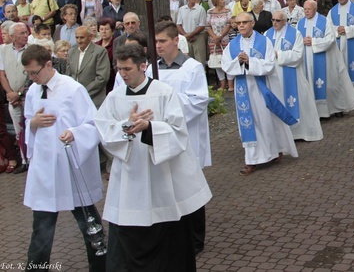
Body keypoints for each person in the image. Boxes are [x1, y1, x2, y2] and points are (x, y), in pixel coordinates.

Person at [96, 44, 212, 271]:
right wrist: (126, 126)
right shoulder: (114, 97)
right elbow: (104, 130)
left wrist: (149, 127)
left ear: (143, 66)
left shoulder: (164, 92)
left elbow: (179, 132)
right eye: (119, 69)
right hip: (130, 176)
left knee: (166, 228)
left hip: (161, 175)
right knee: (128, 229)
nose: (123, 74)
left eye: (128, 69)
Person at [21, 44, 105, 271]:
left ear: (48, 64)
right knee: (42, 227)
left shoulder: (73, 89)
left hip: (70, 166)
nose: (31, 78)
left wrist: (74, 134)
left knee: (88, 222)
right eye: (27, 73)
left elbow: (93, 124)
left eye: (34, 72)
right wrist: (33, 124)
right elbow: (29, 121)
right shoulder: (33, 90)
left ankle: (100, 266)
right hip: (45, 169)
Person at [152, 20, 211, 253]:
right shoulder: (151, 69)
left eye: (162, 41)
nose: (158, 46)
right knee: (167, 186)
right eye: (155, 41)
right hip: (161, 134)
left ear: (176, 41)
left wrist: (167, 105)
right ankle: (172, 234)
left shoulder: (192, 68)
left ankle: (195, 239)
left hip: (186, 135)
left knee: (190, 188)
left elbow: (198, 101)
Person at [221, 12, 298, 175]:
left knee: (266, 121)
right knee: (249, 124)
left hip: (262, 87)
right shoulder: (232, 45)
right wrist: (238, 62)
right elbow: (225, 65)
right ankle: (252, 160)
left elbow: (270, 64)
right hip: (243, 89)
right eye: (238, 23)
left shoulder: (265, 42)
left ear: (252, 23)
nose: (241, 25)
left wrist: (250, 61)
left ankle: (273, 151)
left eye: (244, 22)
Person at [265, 11, 323, 142]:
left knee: (297, 102)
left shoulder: (295, 34)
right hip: (273, 75)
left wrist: (278, 54)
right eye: (273, 20)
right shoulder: (267, 35)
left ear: (285, 21)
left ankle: (300, 132)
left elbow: (298, 55)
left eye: (277, 20)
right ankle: (281, 135)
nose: (274, 23)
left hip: (292, 75)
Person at [297, 0, 354, 118]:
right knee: (310, 83)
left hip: (325, 59)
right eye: (305, 9)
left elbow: (331, 39)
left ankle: (335, 108)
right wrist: (302, 41)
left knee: (330, 85)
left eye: (309, 9)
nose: (306, 11)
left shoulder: (325, 21)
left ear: (315, 9)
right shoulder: (300, 23)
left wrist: (314, 42)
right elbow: (296, 40)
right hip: (307, 59)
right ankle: (316, 112)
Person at [0, 22, 30, 172]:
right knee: (19, 131)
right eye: (22, 33)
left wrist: (19, 93)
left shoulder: (31, 50)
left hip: (28, 97)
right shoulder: (3, 50)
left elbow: (31, 75)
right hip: (12, 98)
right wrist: (11, 94)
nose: (25, 36)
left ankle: (33, 160)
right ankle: (24, 160)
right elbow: (2, 74)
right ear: (12, 37)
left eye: (26, 32)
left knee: (31, 129)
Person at [66, 26, 111, 108]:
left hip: (94, 100)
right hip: (74, 100)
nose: (79, 41)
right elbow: (68, 75)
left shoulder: (100, 52)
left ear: (90, 37)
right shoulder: (71, 52)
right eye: (77, 38)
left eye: (82, 37)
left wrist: (83, 92)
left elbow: (102, 77)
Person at [207, 0, 232, 90]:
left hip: (226, 39)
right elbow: (208, 26)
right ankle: (222, 84)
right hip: (213, 40)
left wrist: (220, 36)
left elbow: (229, 24)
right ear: (216, 1)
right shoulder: (210, 11)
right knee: (217, 61)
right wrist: (215, 37)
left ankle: (230, 84)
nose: (224, 1)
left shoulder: (228, 11)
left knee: (228, 60)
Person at [177, 0, 208, 66]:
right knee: (187, 61)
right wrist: (185, 35)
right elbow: (178, 24)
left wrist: (190, 35)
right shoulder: (181, 9)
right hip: (185, 38)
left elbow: (202, 26)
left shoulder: (201, 9)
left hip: (198, 37)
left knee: (200, 61)